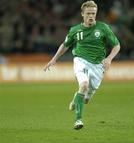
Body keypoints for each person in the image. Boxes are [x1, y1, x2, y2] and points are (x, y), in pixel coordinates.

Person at [44, 0, 120, 130]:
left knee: (86, 99)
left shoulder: (103, 28)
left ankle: (76, 98)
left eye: (93, 13)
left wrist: (109, 59)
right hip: (80, 61)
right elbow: (65, 45)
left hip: (98, 66)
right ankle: (78, 120)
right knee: (83, 85)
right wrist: (54, 59)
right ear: (82, 14)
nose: (91, 16)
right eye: (88, 13)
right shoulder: (75, 30)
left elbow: (117, 45)